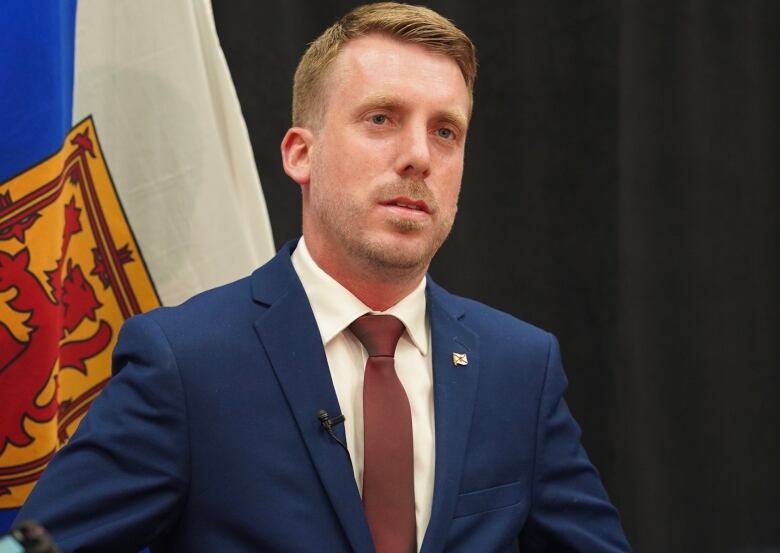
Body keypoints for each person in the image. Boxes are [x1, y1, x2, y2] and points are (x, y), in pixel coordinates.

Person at [18, 3, 631, 552]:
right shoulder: (186, 361)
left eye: (445, 131)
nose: (420, 155)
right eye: (382, 119)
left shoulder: (519, 366)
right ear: (299, 154)